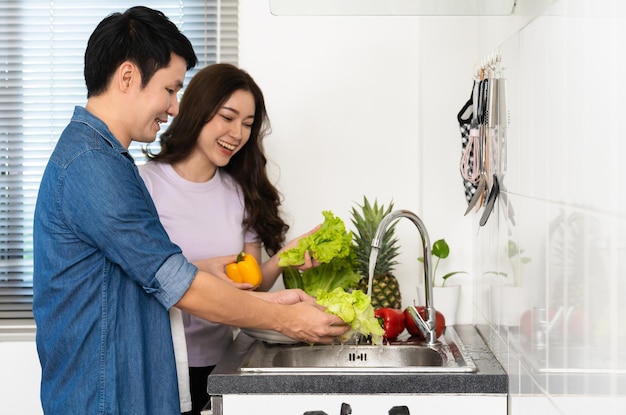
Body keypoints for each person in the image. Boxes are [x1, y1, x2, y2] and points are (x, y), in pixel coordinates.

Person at [32, 6, 348, 415]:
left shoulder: (104, 160)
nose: (175, 107)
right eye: (170, 89)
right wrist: (287, 320)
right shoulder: (92, 166)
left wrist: (270, 303)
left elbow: (145, 277)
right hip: (104, 399)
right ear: (128, 77)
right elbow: (179, 285)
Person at [138, 63, 320, 414]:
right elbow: (137, 283)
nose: (237, 133)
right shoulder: (144, 185)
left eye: (248, 124)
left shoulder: (239, 193)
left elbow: (251, 288)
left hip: (223, 363)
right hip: (160, 365)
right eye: (228, 117)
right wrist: (198, 271)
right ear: (198, 111)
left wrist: (284, 257)